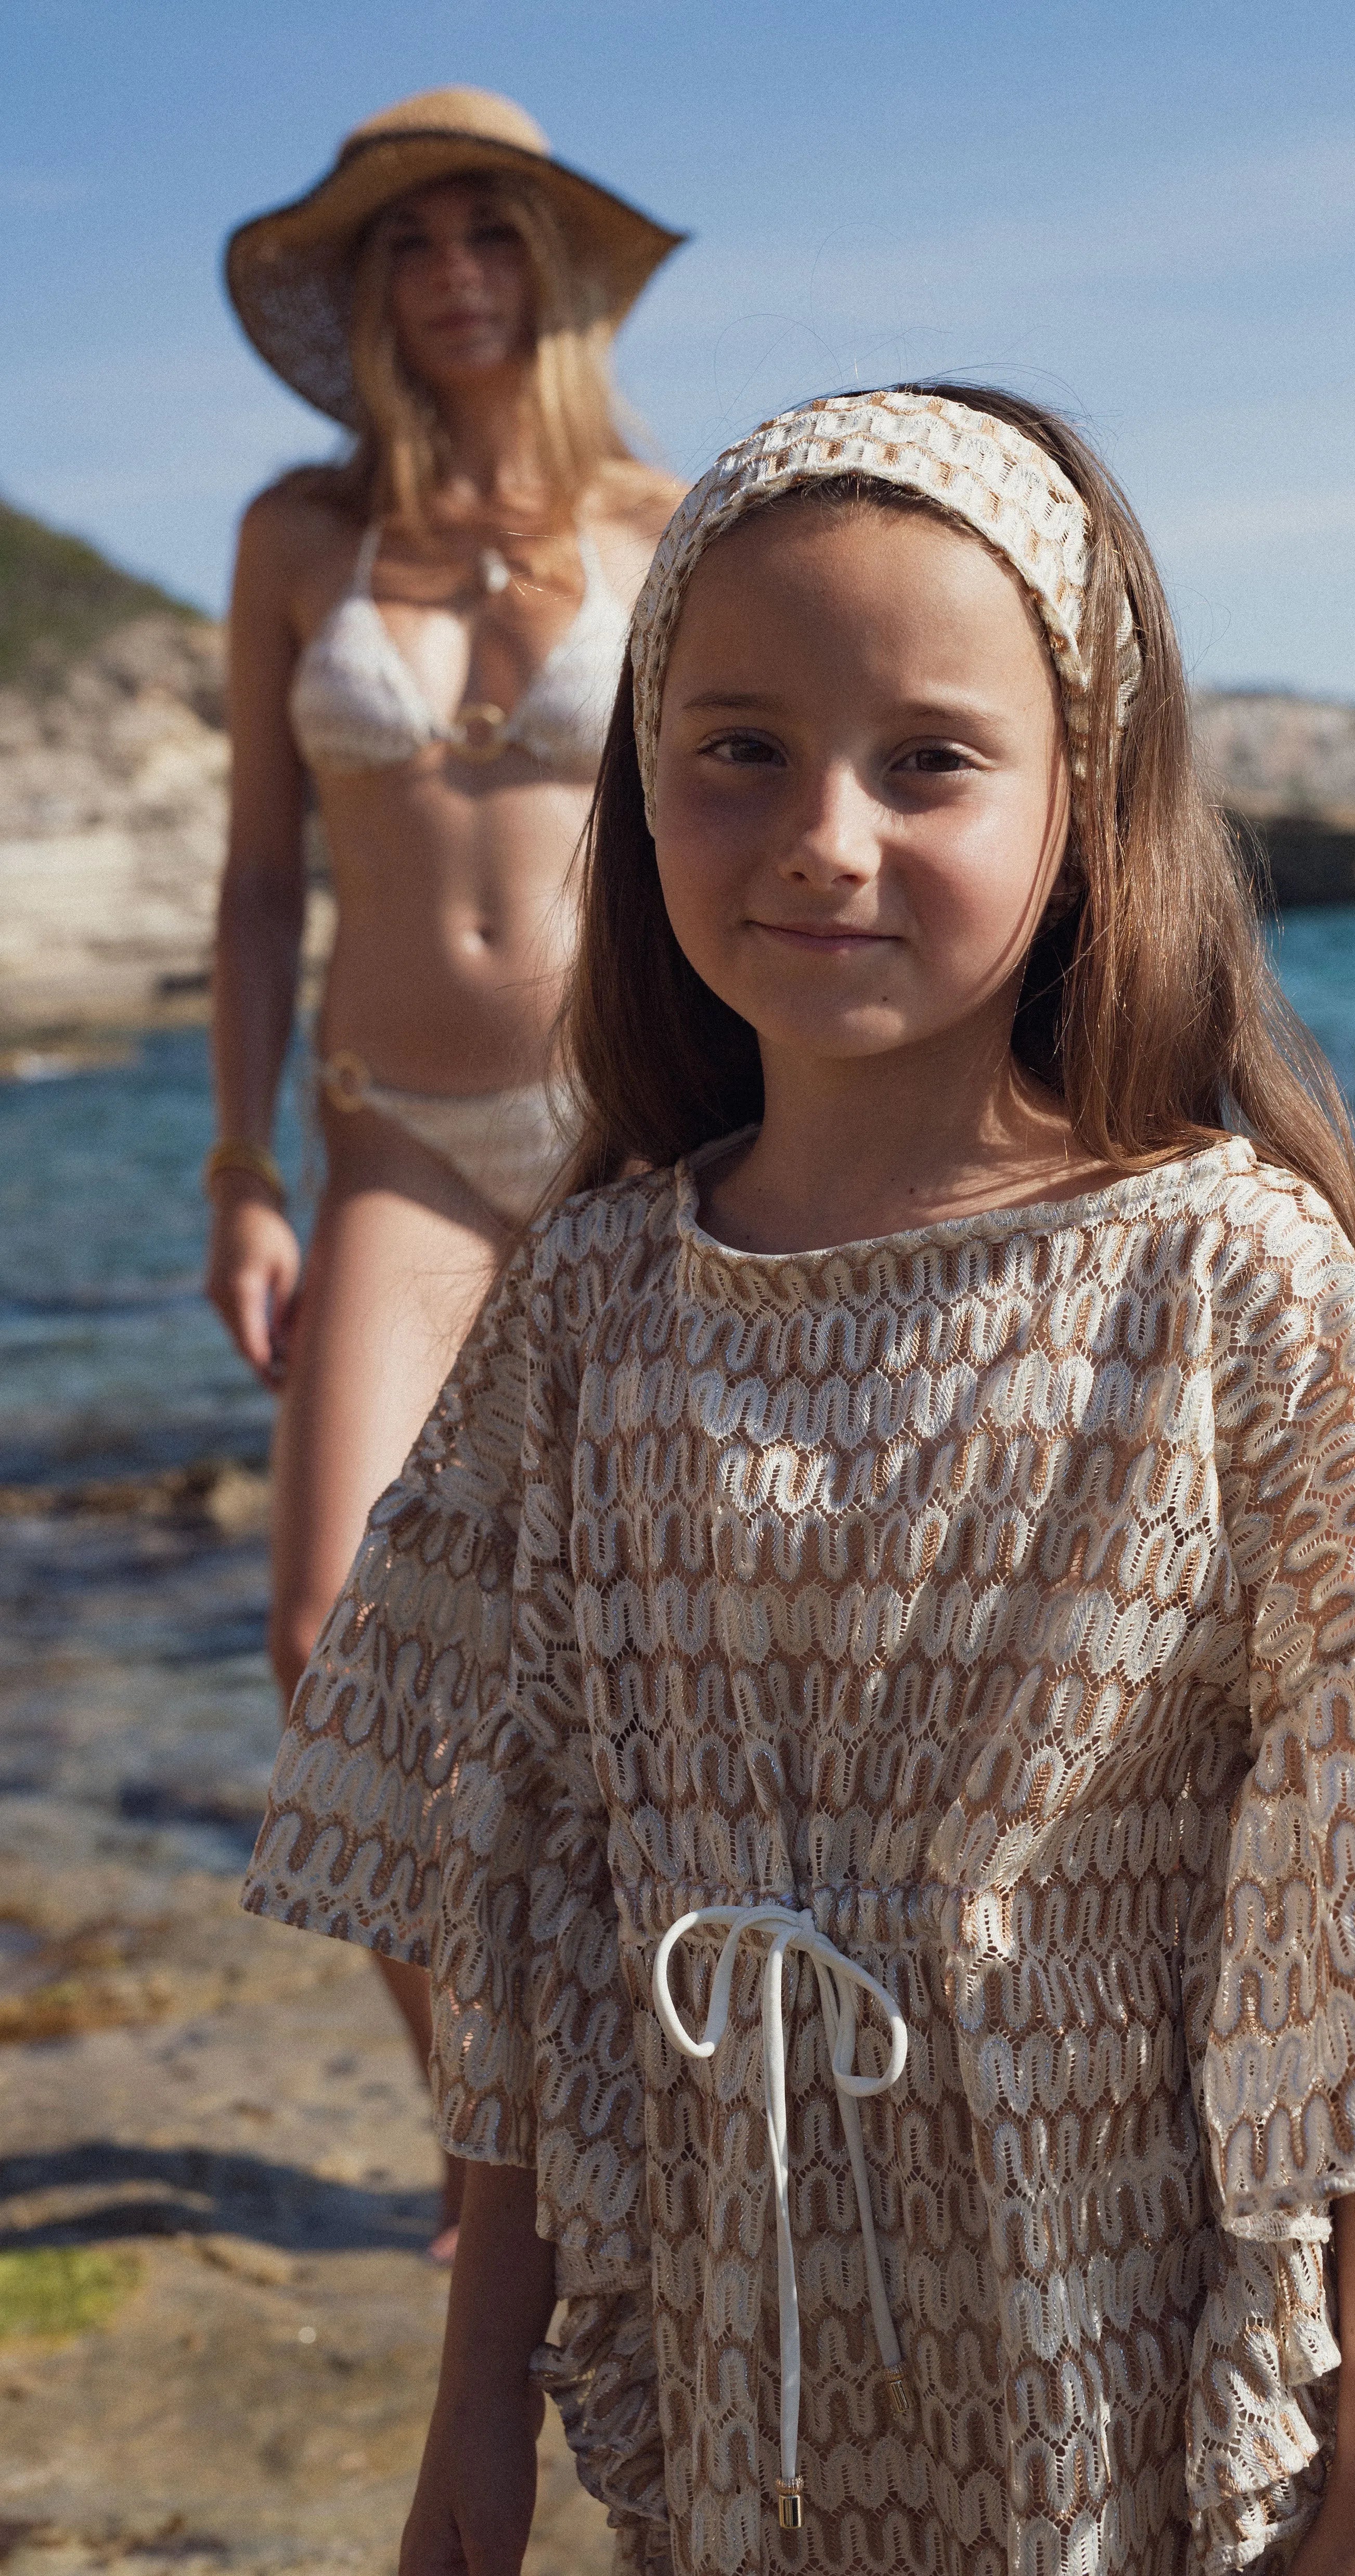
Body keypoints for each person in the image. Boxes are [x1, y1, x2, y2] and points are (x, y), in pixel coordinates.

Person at [242, 386, 1355, 2576]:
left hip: (1105, 2349)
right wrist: (475, 2426)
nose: (825, 836)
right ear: (637, 784)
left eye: (928, 760)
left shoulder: (1218, 1275)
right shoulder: (595, 1298)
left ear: (1083, 803)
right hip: (744, 2377)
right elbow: (531, 1898)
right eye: (740, 748)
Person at [205, 89, 684, 2256]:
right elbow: (256, 880)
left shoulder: (670, 519)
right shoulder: (296, 536)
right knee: (330, 1631)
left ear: (551, 271)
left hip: (625, 1136)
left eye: (489, 234)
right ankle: (499, 2154)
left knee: (647, 1663)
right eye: (408, 245)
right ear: (367, 293)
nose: (453, 274)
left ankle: (681, 2104)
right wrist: (240, 1168)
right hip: (392, 1137)